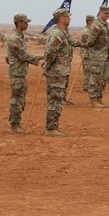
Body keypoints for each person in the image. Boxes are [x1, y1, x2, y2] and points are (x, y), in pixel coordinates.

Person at [6, 13, 42, 134]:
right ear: (19, 22)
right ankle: (14, 125)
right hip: (17, 73)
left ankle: (17, 124)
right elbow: (21, 55)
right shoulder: (14, 38)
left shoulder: (19, 36)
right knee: (16, 100)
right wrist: (39, 58)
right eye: (25, 22)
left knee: (21, 99)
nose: (27, 24)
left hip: (20, 72)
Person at [43, 8, 73, 136]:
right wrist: (48, 66)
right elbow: (50, 52)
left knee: (57, 100)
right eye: (68, 16)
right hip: (56, 73)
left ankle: (53, 126)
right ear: (61, 18)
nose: (70, 18)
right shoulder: (58, 34)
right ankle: (51, 128)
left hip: (60, 72)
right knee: (54, 100)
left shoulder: (62, 32)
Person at [80, 5, 109, 108]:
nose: (108, 15)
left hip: (104, 56)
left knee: (102, 79)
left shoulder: (105, 25)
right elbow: (90, 41)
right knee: (95, 78)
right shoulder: (97, 25)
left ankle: (99, 98)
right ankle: (93, 100)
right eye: (106, 13)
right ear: (100, 13)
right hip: (97, 56)